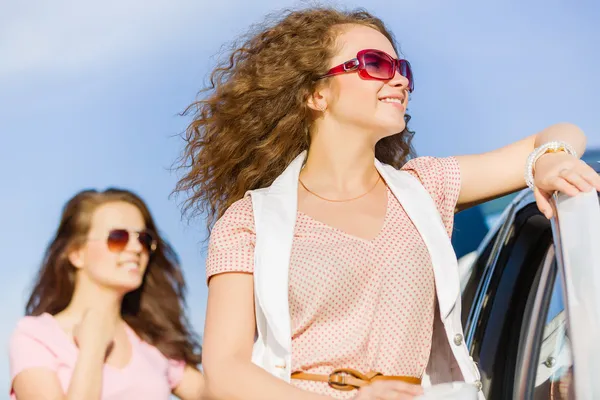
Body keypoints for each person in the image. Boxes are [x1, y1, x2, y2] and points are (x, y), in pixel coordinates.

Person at [174, 6, 600, 400]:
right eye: (375, 65)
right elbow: (224, 369)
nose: (399, 80)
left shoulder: (425, 187)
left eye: (402, 69)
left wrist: (551, 158)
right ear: (315, 95)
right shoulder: (249, 220)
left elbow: (554, 134)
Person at [8, 188, 205, 400]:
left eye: (144, 239)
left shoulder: (153, 343)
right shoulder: (36, 337)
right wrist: (92, 349)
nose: (136, 248)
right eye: (117, 237)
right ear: (76, 253)